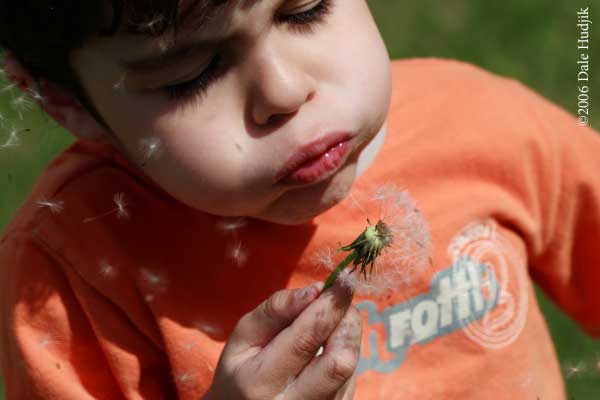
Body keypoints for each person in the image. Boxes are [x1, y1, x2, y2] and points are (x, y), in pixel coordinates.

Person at [0, 1, 598, 399]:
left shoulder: (483, 123)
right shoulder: (69, 274)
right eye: (189, 75)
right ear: (66, 104)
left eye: (305, 10)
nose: (285, 90)